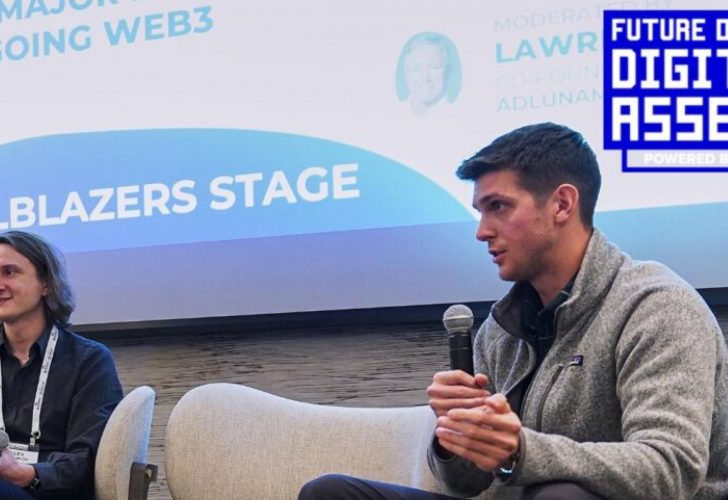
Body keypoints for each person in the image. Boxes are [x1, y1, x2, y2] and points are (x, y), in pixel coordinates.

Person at [299, 123, 728, 499]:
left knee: (561, 495)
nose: (481, 232)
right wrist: (455, 437)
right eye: (480, 212)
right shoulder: (499, 330)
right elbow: (467, 485)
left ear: (562, 204)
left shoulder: (656, 306)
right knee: (330, 492)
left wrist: (522, 452)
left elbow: (671, 470)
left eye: (498, 207)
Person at [0, 231, 123, 499]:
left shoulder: (89, 361)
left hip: (41, 492)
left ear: (46, 284)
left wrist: (24, 474)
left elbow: (86, 460)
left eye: (9, 272)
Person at [395, 32, 461, 116]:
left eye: (435, 67)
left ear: (448, 72)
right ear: (407, 74)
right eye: (416, 69)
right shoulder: (392, 114)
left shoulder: (459, 116)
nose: (425, 78)